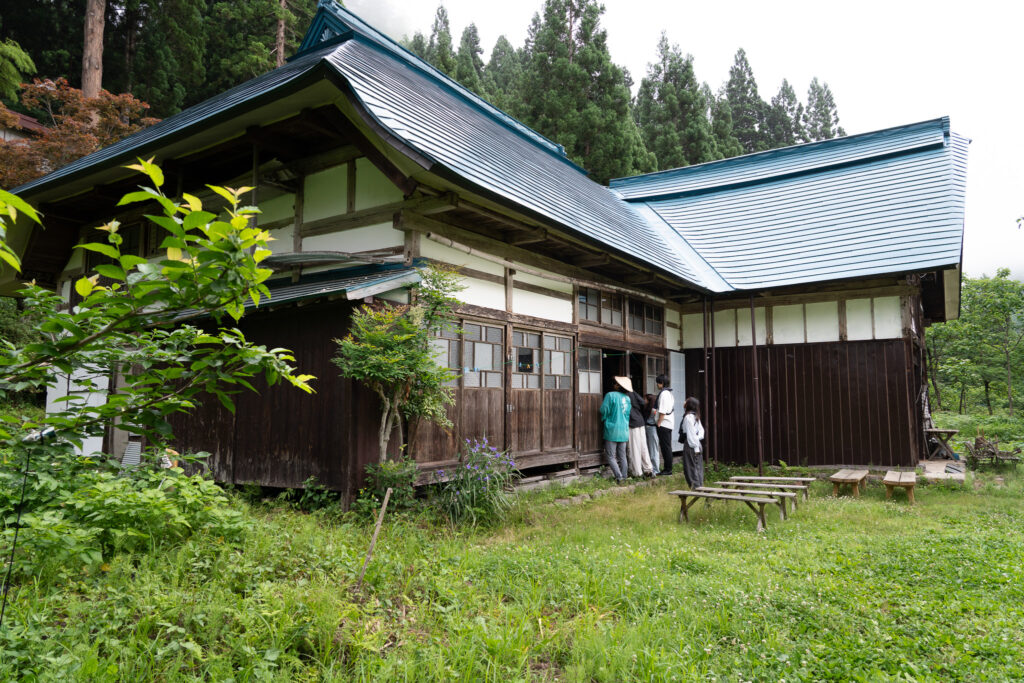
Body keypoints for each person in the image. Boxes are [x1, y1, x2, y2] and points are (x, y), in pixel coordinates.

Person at [599, 376, 631, 482]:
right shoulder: (627, 399)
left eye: (615, 383)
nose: (614, 385)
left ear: (618, 386)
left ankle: (619, 477)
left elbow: (603, 410)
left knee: (611, 456)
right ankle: (624, 476)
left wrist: (605, 418)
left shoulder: (610, 395)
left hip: (612, 429)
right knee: (622, 456)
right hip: (624, 430)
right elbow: (627, 414)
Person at [624, 379, 654, 477]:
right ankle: (648, 469)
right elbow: (643, 402)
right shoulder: (633, 393)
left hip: (632, 422)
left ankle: (637, 472)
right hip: (640, 420)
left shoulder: (624, 395)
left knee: (634, 448)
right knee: (643, 446)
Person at [679, 397, 706, 488]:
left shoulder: (688, 417)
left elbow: (690, 435)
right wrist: (697, 441)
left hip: (691, 445)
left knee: (690, 468)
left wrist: (695, 446)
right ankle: (700, 486)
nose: (684, 402)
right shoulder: (695, 416)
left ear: (689, 404)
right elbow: (701, 432)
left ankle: (696, 488)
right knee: (698, 467)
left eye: (686, 401)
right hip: (697, 443)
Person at [654, 374, 675, 475]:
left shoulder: (663, 394)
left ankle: (668, 469)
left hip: (664, 423)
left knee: (665, 447)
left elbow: (662, 411)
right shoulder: (669, 393)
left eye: (658, 383)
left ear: (661, 383)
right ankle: (668, 468)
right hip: (668, 423)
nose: (657, 385)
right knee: (667, 447)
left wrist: (658, 423)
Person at [644, 393, 661, 475]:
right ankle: (654, 469)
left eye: (645, 399)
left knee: (653, 450)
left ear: (649, 400)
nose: (644, 401)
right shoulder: (653, 409)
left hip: (651, 429)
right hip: (651, 429)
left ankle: (656, 470)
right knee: (653, 449)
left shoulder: (653, 410)